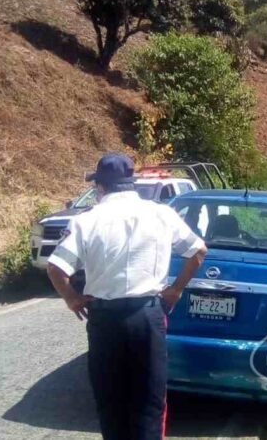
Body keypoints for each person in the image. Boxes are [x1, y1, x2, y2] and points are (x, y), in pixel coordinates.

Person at [46, 153, 207, 440]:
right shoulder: (161, 214)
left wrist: (72, 298)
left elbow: (56, 268)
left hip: (105, 320)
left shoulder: (87, 221)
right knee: (149, 402)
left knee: (111, 401)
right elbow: (198, 251)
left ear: (101, 187)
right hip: (147, 315)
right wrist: (176, 289)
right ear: (131, 184)